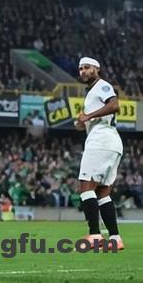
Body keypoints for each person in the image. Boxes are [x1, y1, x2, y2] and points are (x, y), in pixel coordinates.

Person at [75, 57, 125, 250]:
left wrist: (88, 116)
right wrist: (83, 123)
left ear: (97, 69)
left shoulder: (102, 86)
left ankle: (94, 235)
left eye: (87, 67)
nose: (83, 71)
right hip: (111, 143)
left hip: (101, 142)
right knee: (102, 192)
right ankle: (115, 238)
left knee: (85, 187)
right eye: (81, 68)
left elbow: (114, 105)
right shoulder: (91, 93)